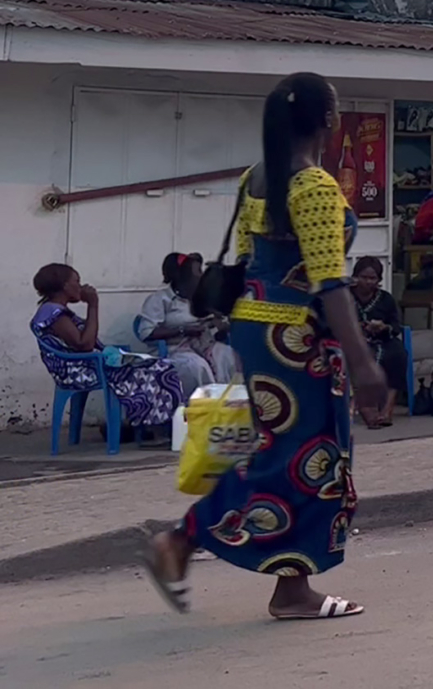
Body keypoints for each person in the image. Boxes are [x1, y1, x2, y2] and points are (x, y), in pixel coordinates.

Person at [144, 72, 390, 621]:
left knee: (292, 456)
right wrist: (363, 361)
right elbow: (330, 283)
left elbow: (256, 261)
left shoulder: (257, 177)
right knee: (299, 457)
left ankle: (290, 588)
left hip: (254, 328)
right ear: (328, 120)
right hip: (297, 339)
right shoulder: (315, 187)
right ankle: (182, 540)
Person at [30, 263, 182, 440]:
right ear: (65, 286)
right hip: (79, 371)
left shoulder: (55, 310)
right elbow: (85, 344)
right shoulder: (53, 312)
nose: (80, 286)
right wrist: (93, 305)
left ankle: (146, 425)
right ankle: (153, 428)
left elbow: (85, 342)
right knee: (158, 369)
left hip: (86, 365)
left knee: (157, 365)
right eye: (76, 281)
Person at [139, 252, 237, 400]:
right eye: (198, 271)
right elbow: (146, 332)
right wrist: (183, 330)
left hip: (204, 346)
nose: (202, 276)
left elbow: (217, 327)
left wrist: (220, 326)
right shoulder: (160, 300)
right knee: (197, 366)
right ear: (183, 277)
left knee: (228, 356)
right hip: (175, 351)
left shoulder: (202, 300)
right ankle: (202, 410)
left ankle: (228, 406)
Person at [347, 256, 407, 428]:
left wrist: (383, 327)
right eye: (363, 277)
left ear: (379, 280)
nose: (367, 282)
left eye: (372, 278)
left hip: (382, 340)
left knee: (398, 355)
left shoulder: (385, 299)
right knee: (362, 357)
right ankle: (368, 407)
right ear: (355, 276)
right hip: (354, 342)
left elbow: (396, 326)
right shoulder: (345, 296)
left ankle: (387, 409)